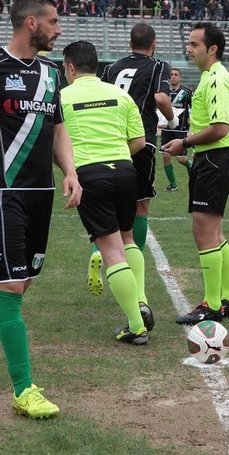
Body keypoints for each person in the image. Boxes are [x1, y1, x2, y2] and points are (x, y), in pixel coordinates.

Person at [0, 0, 81, 420]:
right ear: (31, 22)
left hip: (41, 191)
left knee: (20, 282)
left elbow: (58, 129)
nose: (58, 29)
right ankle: (25, 390)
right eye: (54, 21)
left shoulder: (52, 73)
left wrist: (71, 171)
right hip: (0, 190)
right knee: (10, 286)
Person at [59, 40, 151, 344]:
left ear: (71, 68)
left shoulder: (62, 97)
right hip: (125, 171)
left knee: (110, 250)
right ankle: (141, 299)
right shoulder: (120, 95)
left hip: (90, 174)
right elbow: (139, 141)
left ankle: (136, 326)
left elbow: (53, 140)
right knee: (128, 238)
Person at [162, 22, 229, 324]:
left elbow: (220, 128)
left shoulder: (216, 80)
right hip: (216, 157)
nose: (188, 49)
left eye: (194, 44)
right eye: (189, 43)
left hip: (215, 158)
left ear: (212, 49)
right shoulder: (211, 76)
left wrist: (184, 143)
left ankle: (212, 305)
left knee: (203, 231)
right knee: (215, 232)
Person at [89, 24, 175, 305]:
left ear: (130, 43)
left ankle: (100, 252)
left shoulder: (113, 67)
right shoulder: (158, 66)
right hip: (141, 139)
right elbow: (160, 97)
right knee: (140, 207)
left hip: (111, 140)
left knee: (108, 204)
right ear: (154, 43)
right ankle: (130, 262)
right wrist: (171, 119)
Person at [161, 67, 194, 192]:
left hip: (180, 130)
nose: (173, 76)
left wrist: (192, 119)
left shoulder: (186, 92)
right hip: (166, 129)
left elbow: (194, 107)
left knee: (181, 159)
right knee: (165, 156)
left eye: (176, 74)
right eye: (171, 74)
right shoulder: (163, 92)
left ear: (180, 77)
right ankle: (173, 185)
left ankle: (192, 169)